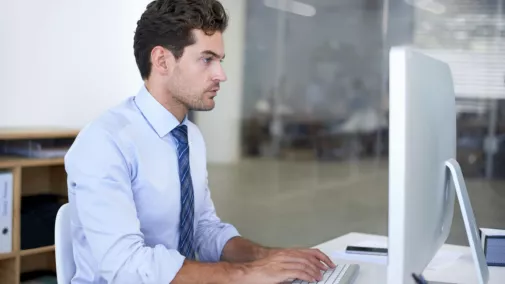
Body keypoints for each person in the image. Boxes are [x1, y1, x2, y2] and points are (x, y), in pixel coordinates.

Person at [64, 0, 336, 283]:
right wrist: (246, 273)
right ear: (162, 61)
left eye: (220, 60)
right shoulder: (105, 143)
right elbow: (126, 266)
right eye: (207, 59)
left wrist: (267, 257)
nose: (221, 75)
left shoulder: (189, 136)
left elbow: (203, 230)